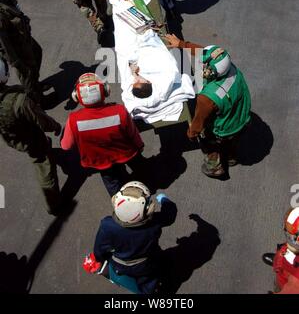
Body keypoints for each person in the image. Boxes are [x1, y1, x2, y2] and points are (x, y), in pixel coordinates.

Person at [164, 33, 251, 178]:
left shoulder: (208, 98)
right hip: (241, 117)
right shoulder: (230, 68)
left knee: (208, 139)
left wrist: (192, 133)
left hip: (225, 128)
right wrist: (181, 44)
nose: (201, 66)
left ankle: (214, 166)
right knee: (232, 142)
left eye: (204, 67)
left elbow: (199, 120)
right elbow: (205, 54)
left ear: (211, 72)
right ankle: (230, 158)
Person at [84, 181, 177, 294]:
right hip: (146, 263)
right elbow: (170, 215)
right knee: (149, 278)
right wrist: (164, 200)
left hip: (120, 264)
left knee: (141, 278)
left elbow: (100, 248)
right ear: (147, 209)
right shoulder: (154, 223)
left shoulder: (107, 225)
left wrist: (99, 258)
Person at [60, 73, 145, 196]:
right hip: (125, 153)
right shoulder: (119, 111)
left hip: (100, 161)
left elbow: (66, 146)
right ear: (105, 91)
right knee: (140, 170)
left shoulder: (73, 120)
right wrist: (139, 146)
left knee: (112, 183)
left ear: (77, 96)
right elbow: (133, 134)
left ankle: (120, 203)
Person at [0, 59, 62, 214]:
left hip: (11, 137)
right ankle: (54, 204)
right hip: (29, 136)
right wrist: (56, 126)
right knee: (43, 162)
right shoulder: (19, 100)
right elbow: (42, 120)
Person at [0, 0, 45, 102]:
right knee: (27, 73)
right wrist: (16, 62)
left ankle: (35, 86)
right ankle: (36, 101)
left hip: (23, 38)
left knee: (37, 53)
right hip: (16, 48)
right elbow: (3, 42)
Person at [262, 207, 299, 294]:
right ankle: (279, 261)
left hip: (285, 279)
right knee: (283, 253)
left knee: (279, 282)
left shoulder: (295, 281)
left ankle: (280, 264)